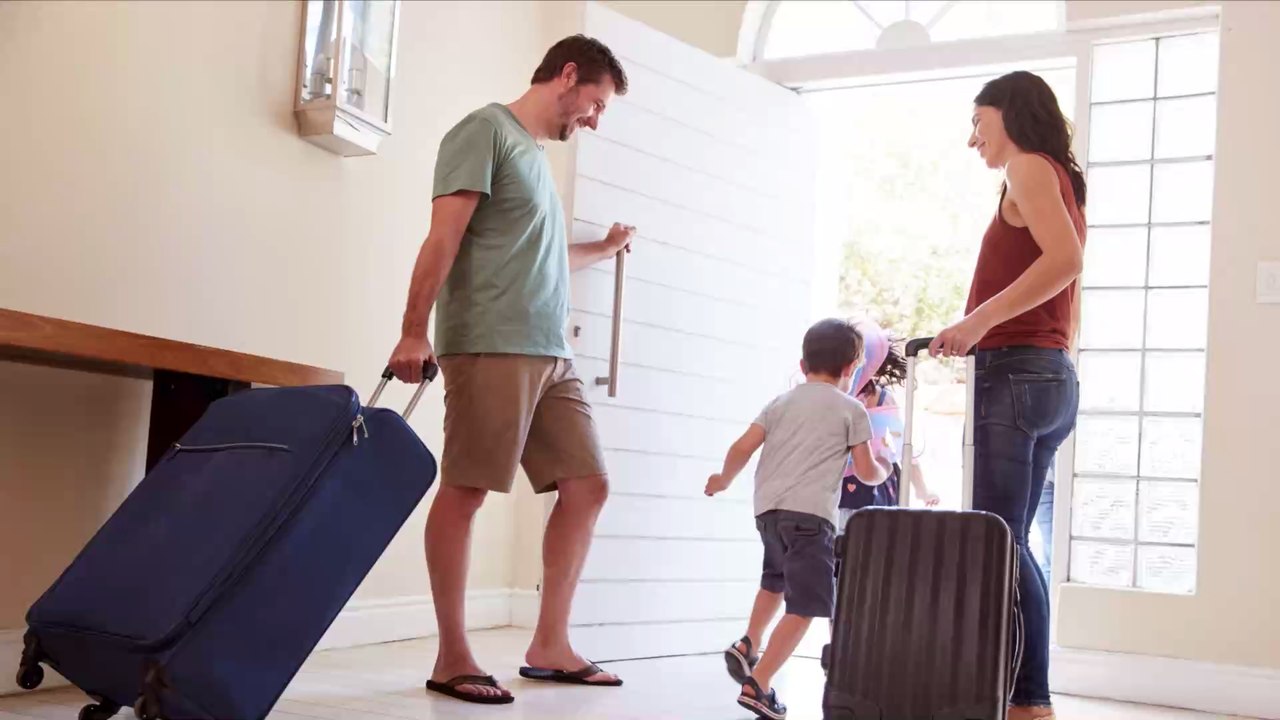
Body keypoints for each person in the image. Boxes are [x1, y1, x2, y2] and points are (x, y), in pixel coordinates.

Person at [387, 35, 635, 705]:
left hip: (552, 352)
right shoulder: (484, 131)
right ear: (569, 74)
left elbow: (543, 257)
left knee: (588, 485)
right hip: (492, 343)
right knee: (466, 490)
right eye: (598, 103)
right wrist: (414, 330)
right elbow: (444, 236)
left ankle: (550, 644)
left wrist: (604, 248)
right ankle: (452, 654)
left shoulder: (536, 160)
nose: (595, 118)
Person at [929, 71, 1086, 720]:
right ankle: (1024, 699)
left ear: (1010, 117)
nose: (973, 140)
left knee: (999, 541)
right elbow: (1061, 282)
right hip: (1046, 376)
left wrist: (975, 323)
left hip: (1018, 375)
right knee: (1012, 541)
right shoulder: (1057, 176)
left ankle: (1031, 702)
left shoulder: (1027, 167)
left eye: (979, 123)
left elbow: (1065, 262)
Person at [706, 319, 890, 720]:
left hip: (768, 511)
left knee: (774, 581)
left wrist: (723, 479)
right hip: (810, 517)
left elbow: (743, 446)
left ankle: (748, 643)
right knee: (805, 605)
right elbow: (863, 470)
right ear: (851, 368)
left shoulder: (780, 403)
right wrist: (883, 471)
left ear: (803, 362)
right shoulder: (851, 409)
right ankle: (761, 682)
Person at [838, 320, 939, 532]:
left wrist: (922, 490)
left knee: (841, 548)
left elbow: (903, 446)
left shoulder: (836, 397)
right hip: (868, 482)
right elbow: (903, 446)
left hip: (858, 485)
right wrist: (921, 490)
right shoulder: (880, 399)